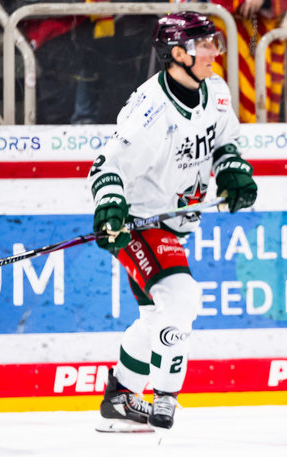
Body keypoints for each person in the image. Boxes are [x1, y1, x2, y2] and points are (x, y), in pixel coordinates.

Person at [88, 11, 258, 432]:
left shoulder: (214, 91)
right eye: (204, 44)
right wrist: (110, 208)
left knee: (154, 317)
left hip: (176, 223)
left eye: (214, 41)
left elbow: (224, 140)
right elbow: (107, 166)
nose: (214, 51)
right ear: (177, 53)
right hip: (140, 224)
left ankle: (120, 398)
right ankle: (165, 395)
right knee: (181, 297)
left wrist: (233, 170)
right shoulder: (150, 111)